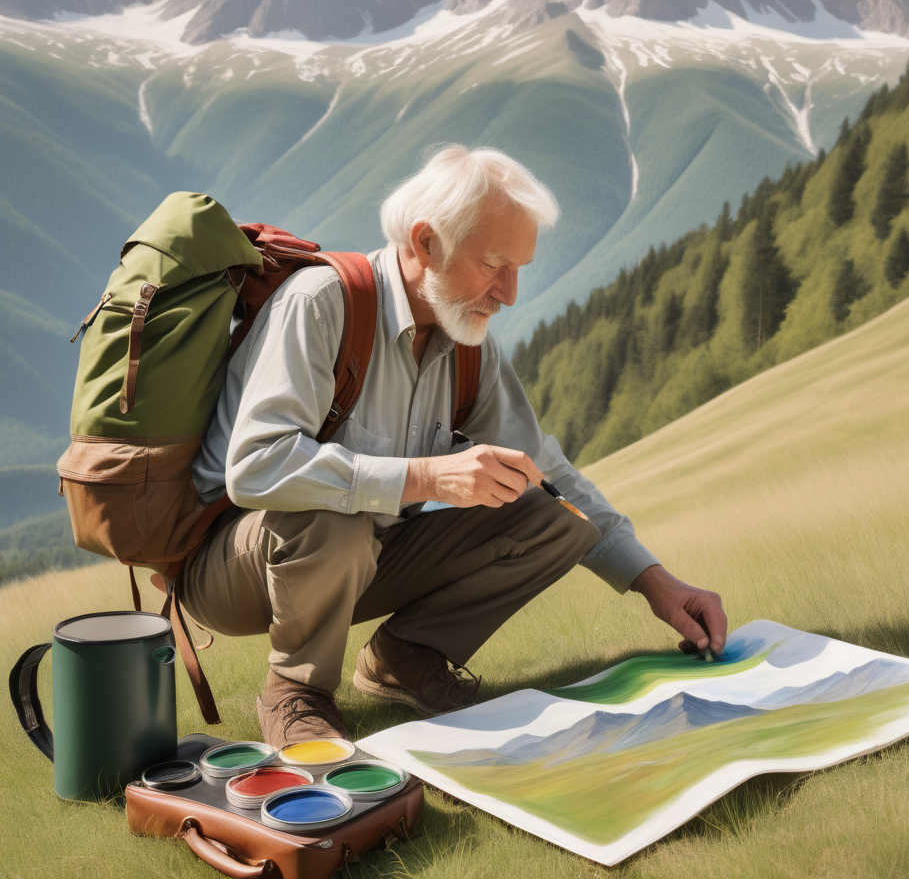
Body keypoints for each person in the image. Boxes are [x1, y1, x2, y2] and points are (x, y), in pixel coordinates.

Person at [183, 145, 727, 746]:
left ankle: (405, 658)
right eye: (495, 264)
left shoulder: (468, 343)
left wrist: (655, 582)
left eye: (520, 268)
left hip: (361, 558)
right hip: (235, 566)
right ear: (425, 243)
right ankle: (295, 691)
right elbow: (256, 467)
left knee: (558, 520)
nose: (510, 293)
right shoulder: (320, 304)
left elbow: (545, 469)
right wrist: (426, 478)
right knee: (333, 514)